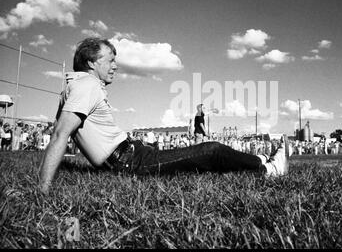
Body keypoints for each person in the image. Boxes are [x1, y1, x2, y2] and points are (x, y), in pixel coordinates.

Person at [38, 38, 289, 195]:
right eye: (111, 60)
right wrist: (42, 191)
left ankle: (260, 158)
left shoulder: (73, 87)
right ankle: (267, 170)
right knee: (211, 151)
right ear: (92, 63)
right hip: (128, 162)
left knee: (204, 166)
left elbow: (62, 130)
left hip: (131, 155)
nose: (115, 65)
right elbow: (60, 135)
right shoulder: (87, 86)